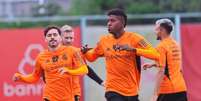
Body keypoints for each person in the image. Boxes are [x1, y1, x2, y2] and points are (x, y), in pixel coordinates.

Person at [81, 8, 160, 101]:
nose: (109, 23)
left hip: (132, 91)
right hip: (112, 89)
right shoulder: (104, 40)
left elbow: (156, 55)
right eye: (108, 20)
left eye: (112, 20)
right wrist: (85, 52)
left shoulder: (135, 38)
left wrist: (133, 50)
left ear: (122, 23)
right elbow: (91, 57)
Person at [12, 26, 88, 101]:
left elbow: (84, 70)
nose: (52, 37)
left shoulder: (72, 51)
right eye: (49, 35)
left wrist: (69, 71)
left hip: (68, 97)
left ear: (60, 38)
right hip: (49, 97)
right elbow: (35, 77)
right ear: (45, 39)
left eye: (55, 35)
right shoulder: (41, 57)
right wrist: (21, 78)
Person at [143, 19, 187, 101]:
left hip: (168, 90)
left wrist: (155, 94)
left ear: (161, 30)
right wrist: (153, 64)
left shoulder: (161, 46)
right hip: (181, 88)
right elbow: (171, 62)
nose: (155, 31)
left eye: (156, 29)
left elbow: (161, 71)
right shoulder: (175, 44)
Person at [60, 25, 104, 101]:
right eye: (66, 38)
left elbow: (86, 69)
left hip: (73, 92)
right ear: (60, 37)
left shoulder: (76, 51)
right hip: (56, 92)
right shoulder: (52, 53)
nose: (69, 40)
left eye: (71, 38)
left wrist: (101, 82)